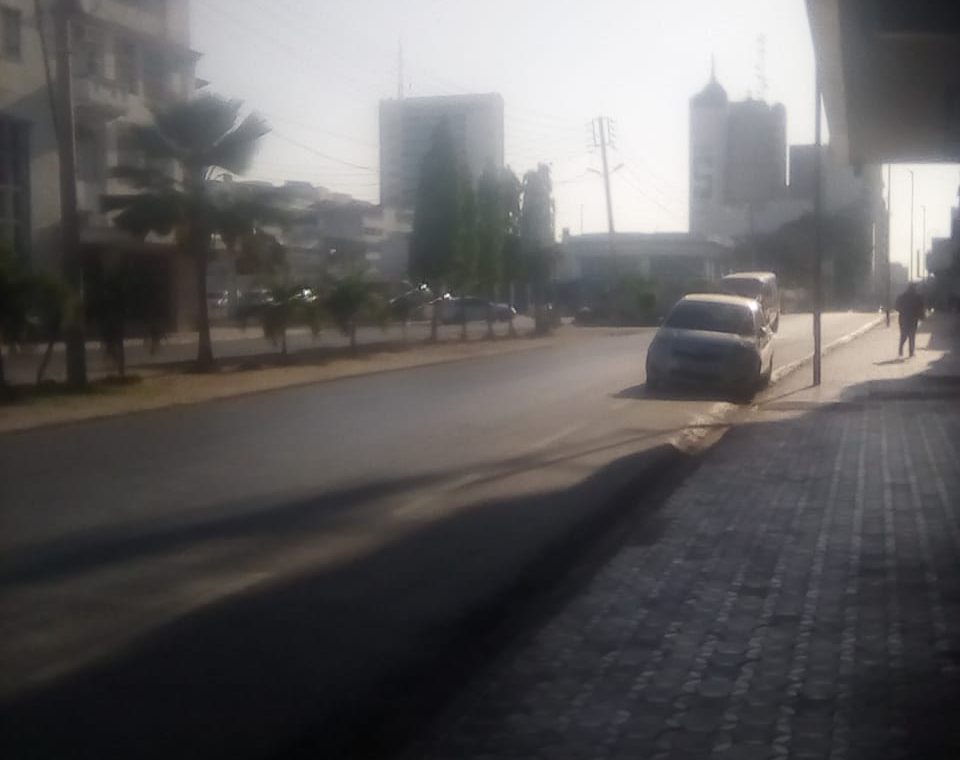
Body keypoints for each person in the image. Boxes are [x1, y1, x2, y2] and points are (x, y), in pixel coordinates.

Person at [895, 283, 925, 358]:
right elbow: (921, 309)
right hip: (913, 319)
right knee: (912, 335)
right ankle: (911, 352)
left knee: (904, 335)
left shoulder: (902, 296)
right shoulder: (918, 297)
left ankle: (901, 351)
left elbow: (896, 307)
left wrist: (903, 311)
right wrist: (922, 317)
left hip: (903, 318)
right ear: (914, 288)